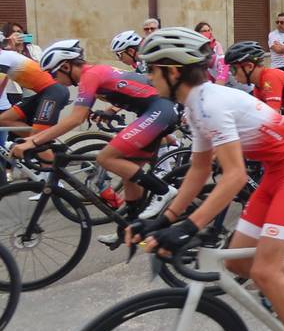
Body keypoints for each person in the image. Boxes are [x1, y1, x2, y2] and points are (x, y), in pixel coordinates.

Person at [125, 27, 284, 331]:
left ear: (173, 72)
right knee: (240, 264)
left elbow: (234, 177)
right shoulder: (196, 105)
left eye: (151, 69)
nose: (147, 75)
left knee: (266, 269)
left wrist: (189, 226)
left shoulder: (211, 104)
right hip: (275, 170)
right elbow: (200, 170)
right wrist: (162, 219)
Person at [12, 40, 179, 239]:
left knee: (106, 157)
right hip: (155, 111)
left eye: (54, 73)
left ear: (66, 66)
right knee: (128, 173)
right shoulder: (94, 73)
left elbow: (76, 118)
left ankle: (163, 190)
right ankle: (131, 228)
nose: (54, 79)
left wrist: (34, 141)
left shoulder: (90, 75)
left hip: (159, 110)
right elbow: (129, 92)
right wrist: (108, 113)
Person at [0, 43, 72, 146]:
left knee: (37, 139)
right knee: (4, 119)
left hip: (53, 92)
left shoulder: (3, 57)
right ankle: (41, 142)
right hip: (45, 93)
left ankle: (43, 146)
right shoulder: (7, 56)